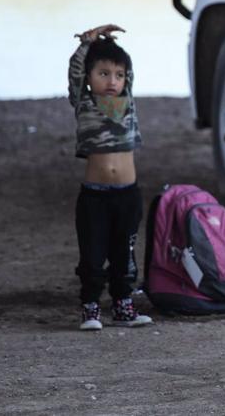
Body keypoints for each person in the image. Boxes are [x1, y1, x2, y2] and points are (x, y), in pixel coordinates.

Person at [68, 24, 152, 331]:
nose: (111, 81)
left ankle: (123, 305)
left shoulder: (129, 101)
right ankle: (90, 308)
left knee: (124, 254)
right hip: (95, 196)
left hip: (127, 195)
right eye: (103, 74)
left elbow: (126, 69)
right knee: (92, 255)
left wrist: (112, 49)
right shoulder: (84, 103)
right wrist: (88, 44)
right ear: (89, 78)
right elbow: (75, 72)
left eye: (118, 75)